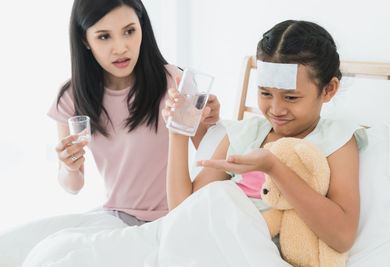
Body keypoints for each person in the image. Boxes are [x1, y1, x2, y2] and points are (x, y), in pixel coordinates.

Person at [0, 0, 219, 266]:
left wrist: (209, 121)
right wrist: (69, 166)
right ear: (85, 40)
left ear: (143, 29)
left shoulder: (173, 83)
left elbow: (210, 156)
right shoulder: (72, 97)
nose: (120, 47)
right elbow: (73, 186)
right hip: (115, 219)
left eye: (129, 31)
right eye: (104, 36)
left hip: (170, 220)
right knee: (23, 247)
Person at [165, 19, 367, 257]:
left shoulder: (337, 139)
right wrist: (178, 130)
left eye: (291, 98)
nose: (276, 109)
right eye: (265, 93)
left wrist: (274, 168)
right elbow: (183, 214)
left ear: (328, 90)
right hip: (218, 247)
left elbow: (342, 237)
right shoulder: (246, 133)